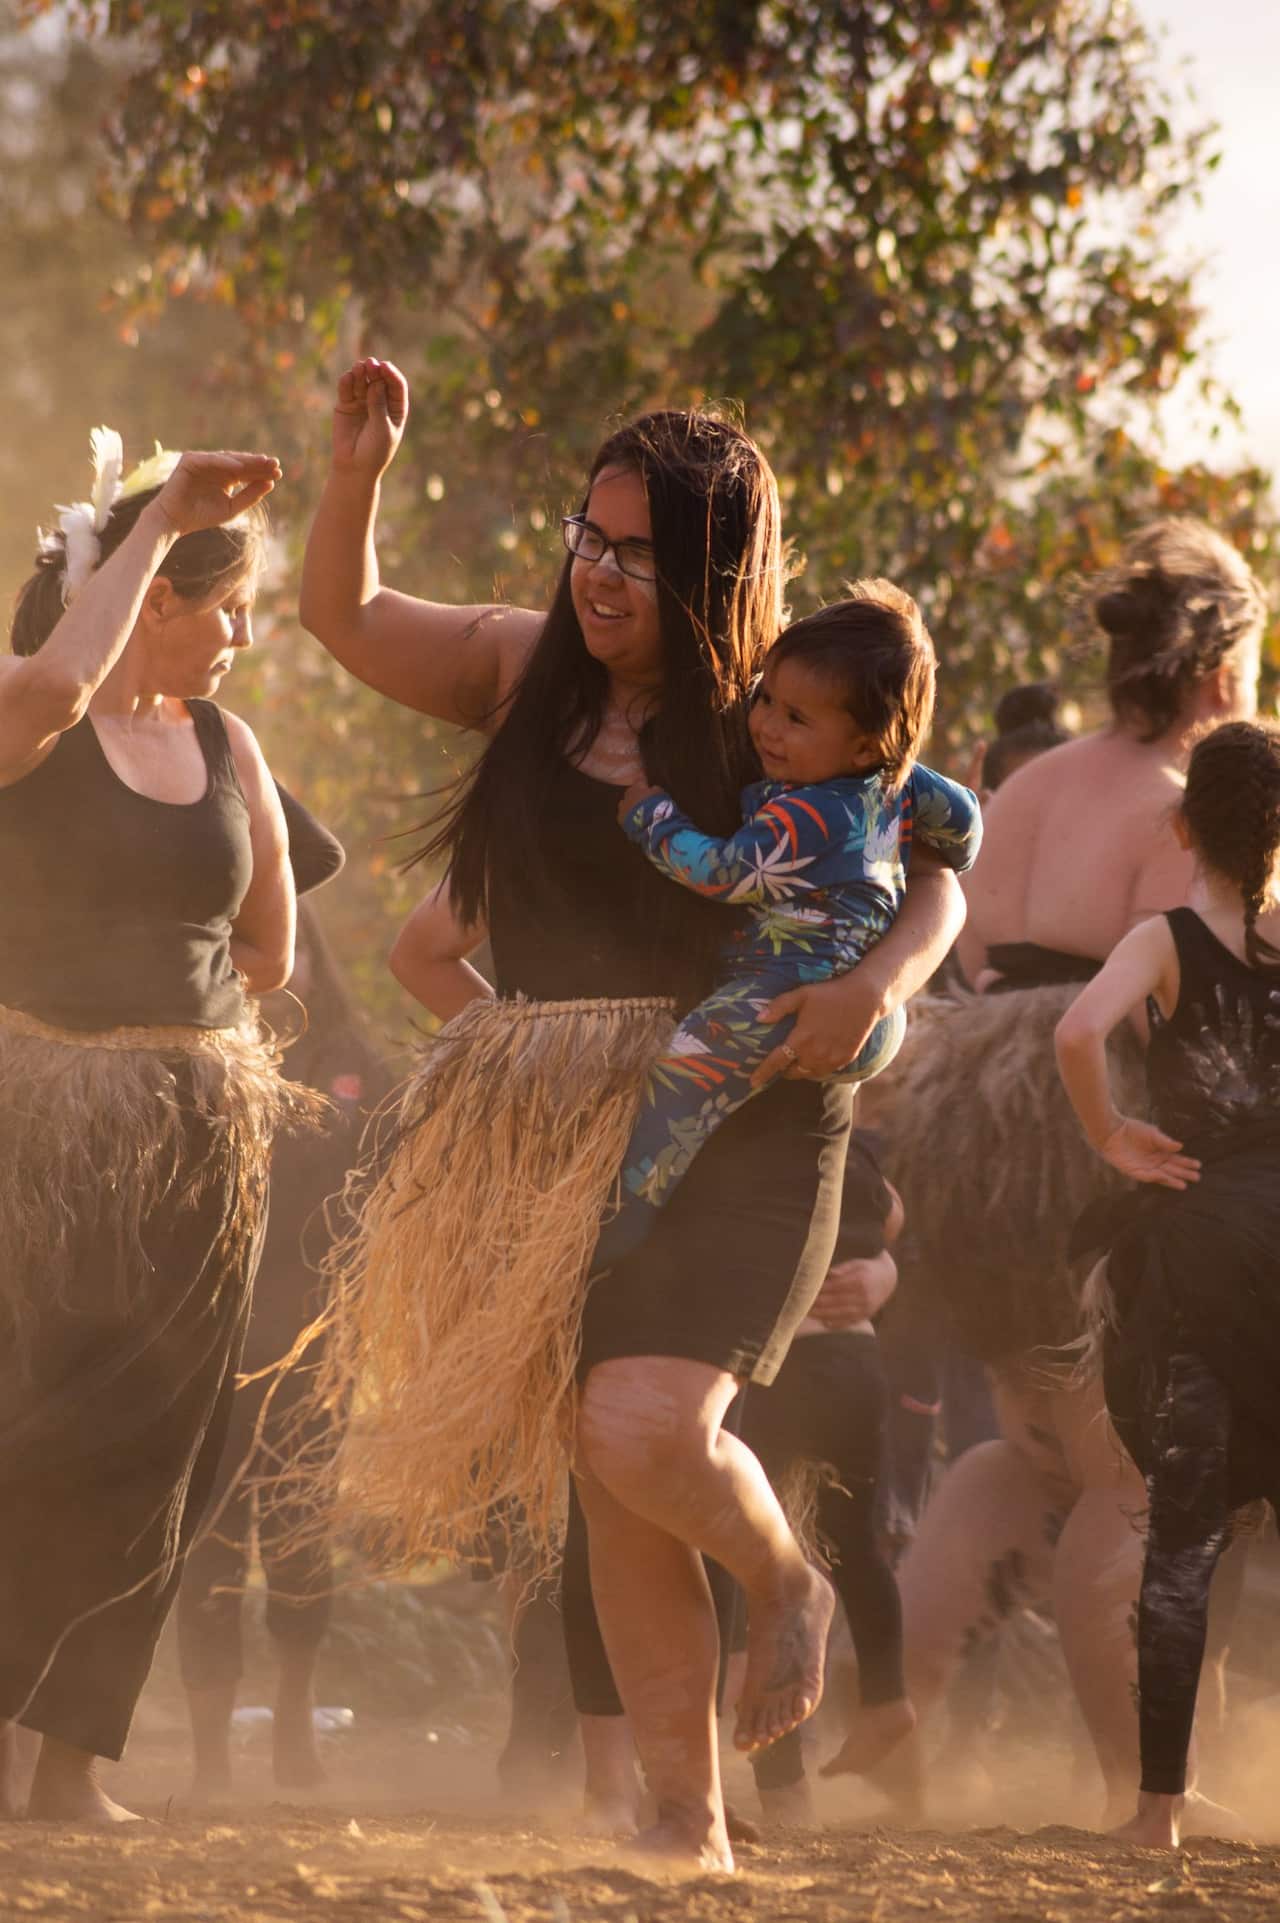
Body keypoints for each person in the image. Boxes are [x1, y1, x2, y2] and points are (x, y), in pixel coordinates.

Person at [300, 357, 965, 1870]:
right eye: (586, 540)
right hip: (559, 1148)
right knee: (616, 1476)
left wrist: (882, 987)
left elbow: (938, 859)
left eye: (638, 554)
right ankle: (687, 1826)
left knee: (642, 1424)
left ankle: (789, 1579)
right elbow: (343, 618)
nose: (597, 576)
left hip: (743, 1120)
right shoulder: (523, 668)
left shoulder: (774, 715)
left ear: (713, 566)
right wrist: (357, 475)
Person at [871, 518, 1266, 1823]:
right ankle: (1135, 1784)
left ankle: (899, 1723)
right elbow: (1183, 1005)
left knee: (1021, 1452)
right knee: (1128, 1478)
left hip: (969, 1144)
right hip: (1089, 1154)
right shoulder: (1181, 809)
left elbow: (974, 966)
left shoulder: (1032, 790)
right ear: (1221, 672)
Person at [0, 430, 318, 1825]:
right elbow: (65, 677)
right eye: (223, 599)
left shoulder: (230, 743)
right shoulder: (32, 718)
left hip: (199, 1123)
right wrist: (161, 516)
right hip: (47, 1123)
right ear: (148, 593)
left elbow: (271, 955)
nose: (243, 629)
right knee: (49, 1414)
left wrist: (178, 1045)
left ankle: (72, 1761)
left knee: (173, 1439)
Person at [593, 590, 981, 1273]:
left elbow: (722, 870)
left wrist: (649, 816)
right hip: (866, 1012)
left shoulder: (806, 816)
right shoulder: (897, 783)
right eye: (765, 697)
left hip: (784, 996)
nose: (766, 725)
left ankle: (613, 1226)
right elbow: (967, 820)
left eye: (796, 717)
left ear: (867, 742)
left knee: (677, 1078)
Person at [1056, 718, 1280, 1850]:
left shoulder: (1165, 938)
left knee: (1187, 1532)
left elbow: (1075, 1031)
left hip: (1201, 1248)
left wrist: (1113, 1138)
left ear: (1182, 823)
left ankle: (1157, 1809)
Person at [177, 897, 394, 1801]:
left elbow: (392, 1193)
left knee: (301, 1537)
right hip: (207, 1345)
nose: (268, 966)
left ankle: (296, 1722)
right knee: (207, 1544)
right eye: (243, 950)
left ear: (312, 960)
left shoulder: (360, 1070)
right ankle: (208, 1755)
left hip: (317, 1341)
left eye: (280, 948)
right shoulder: (193, 1058)